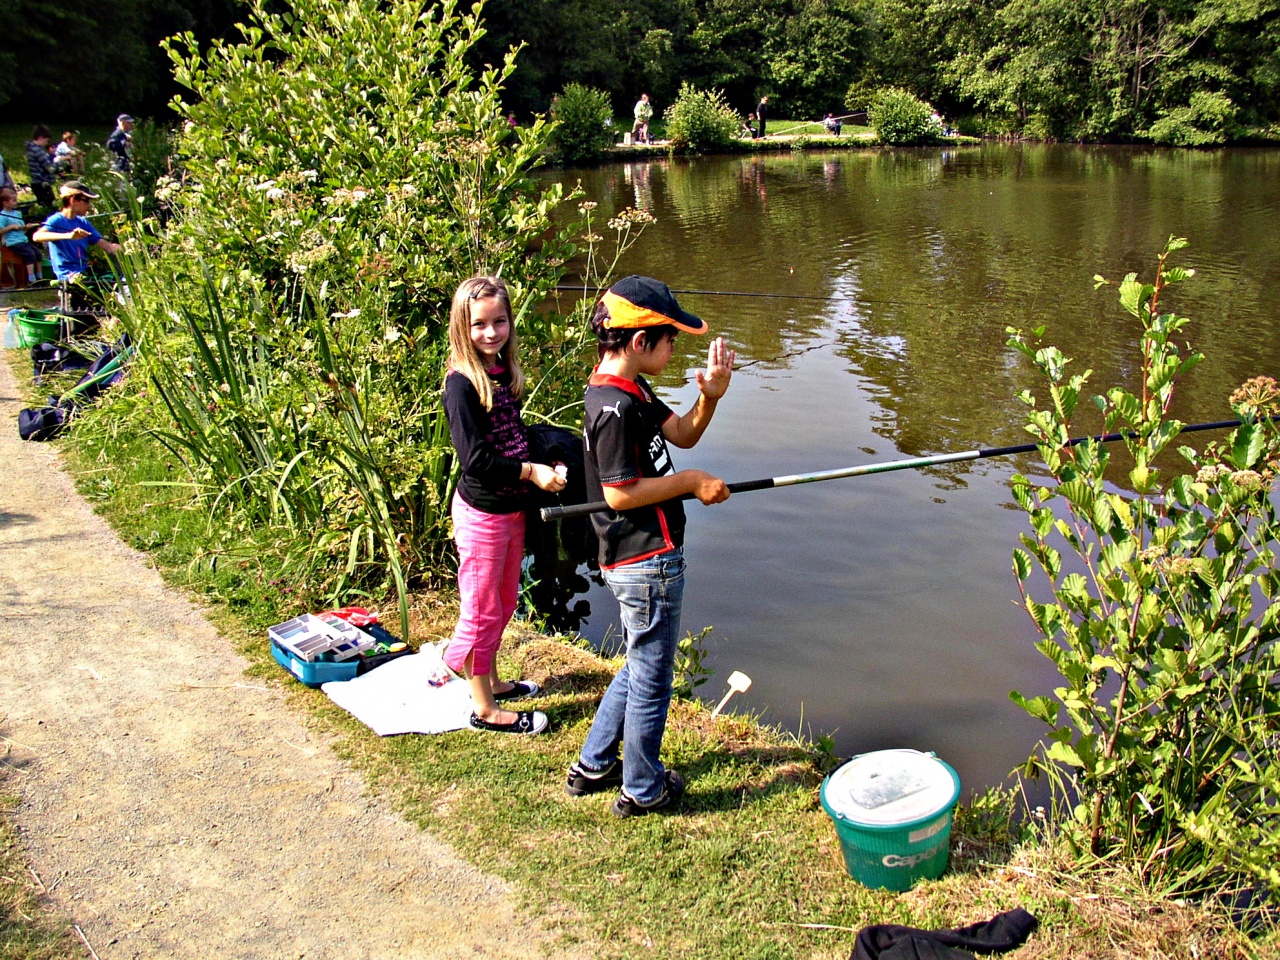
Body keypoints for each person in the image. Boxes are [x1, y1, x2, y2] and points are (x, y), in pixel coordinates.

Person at [565, 275, 735, 817]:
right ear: (640, 343)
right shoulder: (612, 408)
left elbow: (682, 433)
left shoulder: (630, 389)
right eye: (670, 340)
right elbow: (618, 494)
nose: (674, 348)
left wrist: (708, 399)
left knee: (641, 662)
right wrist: (690, 483)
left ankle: (595, 763)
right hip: (645, 559)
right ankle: (642, 788)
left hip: (637, 558)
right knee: (654, 678)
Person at [441, 275, 567, 736]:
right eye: (479, 325)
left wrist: (546, 455)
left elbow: (512, 438)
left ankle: (488, 678)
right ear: (462, 327)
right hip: (482, 514)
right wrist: (530, 472)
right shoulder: (461, 385)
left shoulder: (501, 373)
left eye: (500, 322)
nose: (491, 333)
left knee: (505, 598)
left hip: (510, 509)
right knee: (481, 607)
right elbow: (475, 458)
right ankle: (484, 709)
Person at [32, 181, 122, 281]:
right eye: (86, 200)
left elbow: (107, 247)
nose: (89, 205)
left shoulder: (83, 222)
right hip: (68, 275)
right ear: (73, 200)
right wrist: (69, 236)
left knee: (114, 278)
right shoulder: (56, 220)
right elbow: (37, 236)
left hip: (83, 271)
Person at [0, 186, 43, 285]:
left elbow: (22, 228)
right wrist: (11, 227)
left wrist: (27, 227)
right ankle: (31, 279)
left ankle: (39, 276)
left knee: (38, 253)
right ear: (5, 203)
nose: (16, 202)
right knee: (30, 254)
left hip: (23, 240)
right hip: (13, 242)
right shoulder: (2, 216)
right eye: (13, 200)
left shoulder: (17, 213)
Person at [26, 125, 58, 209]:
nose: (47, 143)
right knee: (50, 208)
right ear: (40, 138)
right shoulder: (37, 151)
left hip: (37, 183)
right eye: (46, 140)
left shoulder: (31, 149)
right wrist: (60, 161)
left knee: (45, 206)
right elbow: (50, 168)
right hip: (41, 184)